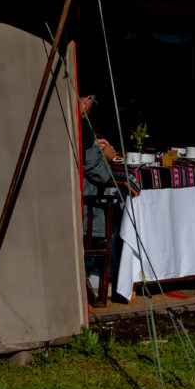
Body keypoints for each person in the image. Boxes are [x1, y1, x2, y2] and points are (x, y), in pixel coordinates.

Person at [79, 93, 118, 291]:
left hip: (85, 201)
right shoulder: (78, 126)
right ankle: (100, 275)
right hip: (87, 206)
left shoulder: (79, 126)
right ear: (86, 100)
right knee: (118, 214)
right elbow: (99, 174)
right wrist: (107, 157)